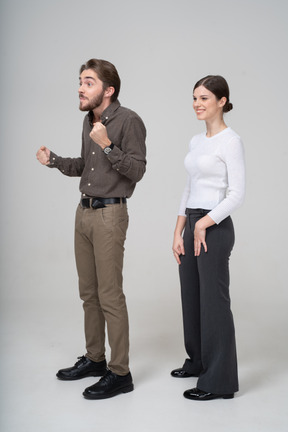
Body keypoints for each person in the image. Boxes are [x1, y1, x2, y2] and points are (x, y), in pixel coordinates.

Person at [36, 59, 146, 400]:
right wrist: (54, 160)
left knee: (110, 295)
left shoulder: (129, 121)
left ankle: (120, 372)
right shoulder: (89, 122)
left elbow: (137, 171)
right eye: (80, 81)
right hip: (83, 213)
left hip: (110, 216)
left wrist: (109, 144)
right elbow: (86, 166)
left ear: (108, 90)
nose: (81, 88)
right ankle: (96, 359)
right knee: (89, 294)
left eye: (88, 82)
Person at [171, 75, 245, 401]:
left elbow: (237, 194)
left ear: (222, 101)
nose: (197, 104)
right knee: (192, 296)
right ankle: (198, 360)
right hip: (192, 222)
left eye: (204, 98)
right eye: (194, 98)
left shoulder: (231, 141)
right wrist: (180, 230)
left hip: (215, 226)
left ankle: (219, 381)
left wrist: (204, 224)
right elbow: (189, 187)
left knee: (214, 304)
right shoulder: (195, 141)